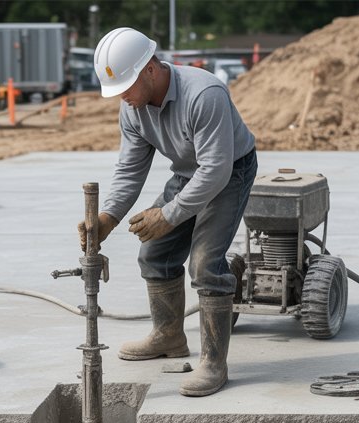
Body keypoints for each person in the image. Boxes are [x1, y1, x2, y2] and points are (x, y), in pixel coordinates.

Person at [80, 27, 257, 397]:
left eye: (125, 87)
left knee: (206, 263)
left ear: (149, 68)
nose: (122, 98)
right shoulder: (133, 109)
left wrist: (169, 214)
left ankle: (213, 363)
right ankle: (168, 336)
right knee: (155, 253)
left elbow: (215, 171)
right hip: (189, 172)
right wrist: (107, 217)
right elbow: (130, 169)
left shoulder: (204, 94)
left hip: (230, 170)